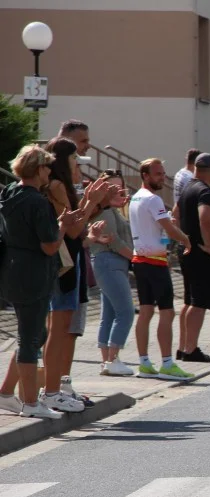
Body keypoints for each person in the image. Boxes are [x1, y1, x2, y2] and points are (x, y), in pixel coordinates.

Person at [0, 145, 83, 418]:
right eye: (47, 166)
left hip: (13, 270)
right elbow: (49, 246)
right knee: (31, 338)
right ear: (39, 169)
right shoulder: (37, 201)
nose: (50, 171)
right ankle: (32, 404)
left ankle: (7, 394)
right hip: (33, 273)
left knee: (35, 335)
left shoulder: (10, 193)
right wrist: (62, 224)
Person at [42, 138, 108, 412]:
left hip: (72, 259)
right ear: (61, 161)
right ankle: (51, 390)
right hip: (62, 262)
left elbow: (78, 224)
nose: (78, 166)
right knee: (57, 329)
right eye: (74, 160)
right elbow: (70, 228)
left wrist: (98, 204)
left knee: (65, 327)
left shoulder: (63, 186)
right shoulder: (56, 186)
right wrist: (92, 201)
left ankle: (59, 387)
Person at [130, 158, 193, 380]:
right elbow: (169, 229)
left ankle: (144, 362)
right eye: (157, 173)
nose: (162, 177)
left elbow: (160, 231)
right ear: (145, 175)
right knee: (167, 311)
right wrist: (186, 239)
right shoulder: (154, 199)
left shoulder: (135, 198)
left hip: (140, 259)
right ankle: (167, 363)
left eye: (163, 173)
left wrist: (169, 230)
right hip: (155, 262)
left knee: (146, 311)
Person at [88, 170, 136, 375]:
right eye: (112, 188)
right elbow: (114, 241)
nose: (118, 191)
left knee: (108, 313)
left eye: (120, 187)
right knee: (125, 312)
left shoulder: (111, 210)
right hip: (110, 262)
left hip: (109, 263)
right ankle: (113, 359)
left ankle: (107, 361)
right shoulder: (105, 212)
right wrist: (136, 259)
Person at [177, 153, 210, 362]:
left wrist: (184, 238)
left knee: (189, 300)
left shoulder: (187, 188)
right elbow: (205, 217)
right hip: (200, 254)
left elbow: (174, 215)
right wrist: (209, 245)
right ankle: (190, 350)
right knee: (199, 300)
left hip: (187, 250)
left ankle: (183, 346)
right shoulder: (205, 191)